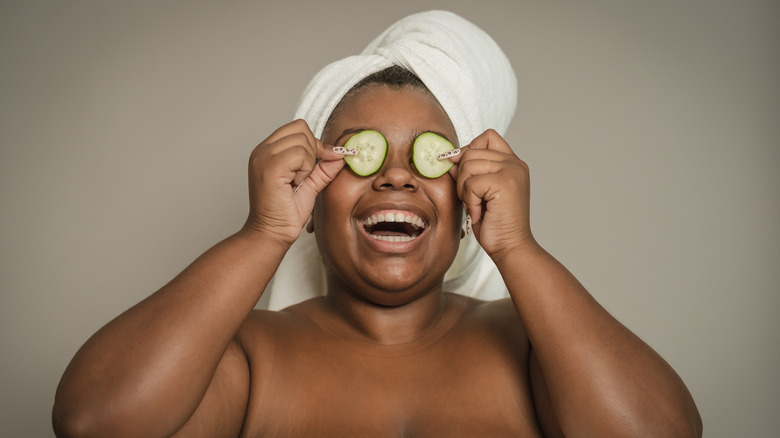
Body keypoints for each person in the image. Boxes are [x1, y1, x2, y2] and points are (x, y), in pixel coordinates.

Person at [52, 11, 702, 437]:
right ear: (309, 198)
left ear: (473, 201)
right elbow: (93, 422)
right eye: (362, 152)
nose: (396, 176)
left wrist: (519, 248)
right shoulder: (248, 355)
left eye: (431, 154)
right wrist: (261, 234)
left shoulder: (535, 349)